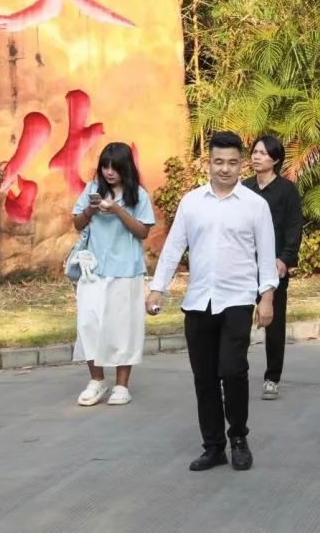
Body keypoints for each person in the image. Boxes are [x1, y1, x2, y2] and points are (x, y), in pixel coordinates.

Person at [147, 131, 278, 472]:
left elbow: (266, 256)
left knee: (233, 371)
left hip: (237, 300)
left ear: (241, 164)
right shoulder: (191, 202)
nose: (225, 169)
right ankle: (213, 446)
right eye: (218, 162)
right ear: (209, 163)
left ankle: (238, 438)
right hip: (198, 302)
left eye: (232, 163)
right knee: (204, 378)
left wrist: (266, 297)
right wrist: (158, 288)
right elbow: (174, 248)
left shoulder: (255, 206)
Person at [70, 142, 155, 406]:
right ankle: (97, 381)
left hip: (126, 270)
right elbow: (77, 223)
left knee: (122, 327)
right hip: (92, 270)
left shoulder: (138, 195)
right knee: (88, 323)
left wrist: (118, 210)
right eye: (105, 167)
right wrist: (91, 209)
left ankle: (121, 385)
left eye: (114, 167)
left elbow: (143, 231)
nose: (109, 172)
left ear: (125, 168)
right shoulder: (92, 189)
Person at [242, 135, 304, 401]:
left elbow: (294, 227)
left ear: (275, 159)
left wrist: (285, 259)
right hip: (245, 267)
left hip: (274, 266)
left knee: (274, 325)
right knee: (238, 322)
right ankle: (234, 375)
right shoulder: (244, 188)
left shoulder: (287, 190)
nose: (256, 157)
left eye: (263, 153)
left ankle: (272, 378)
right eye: (255, 152)